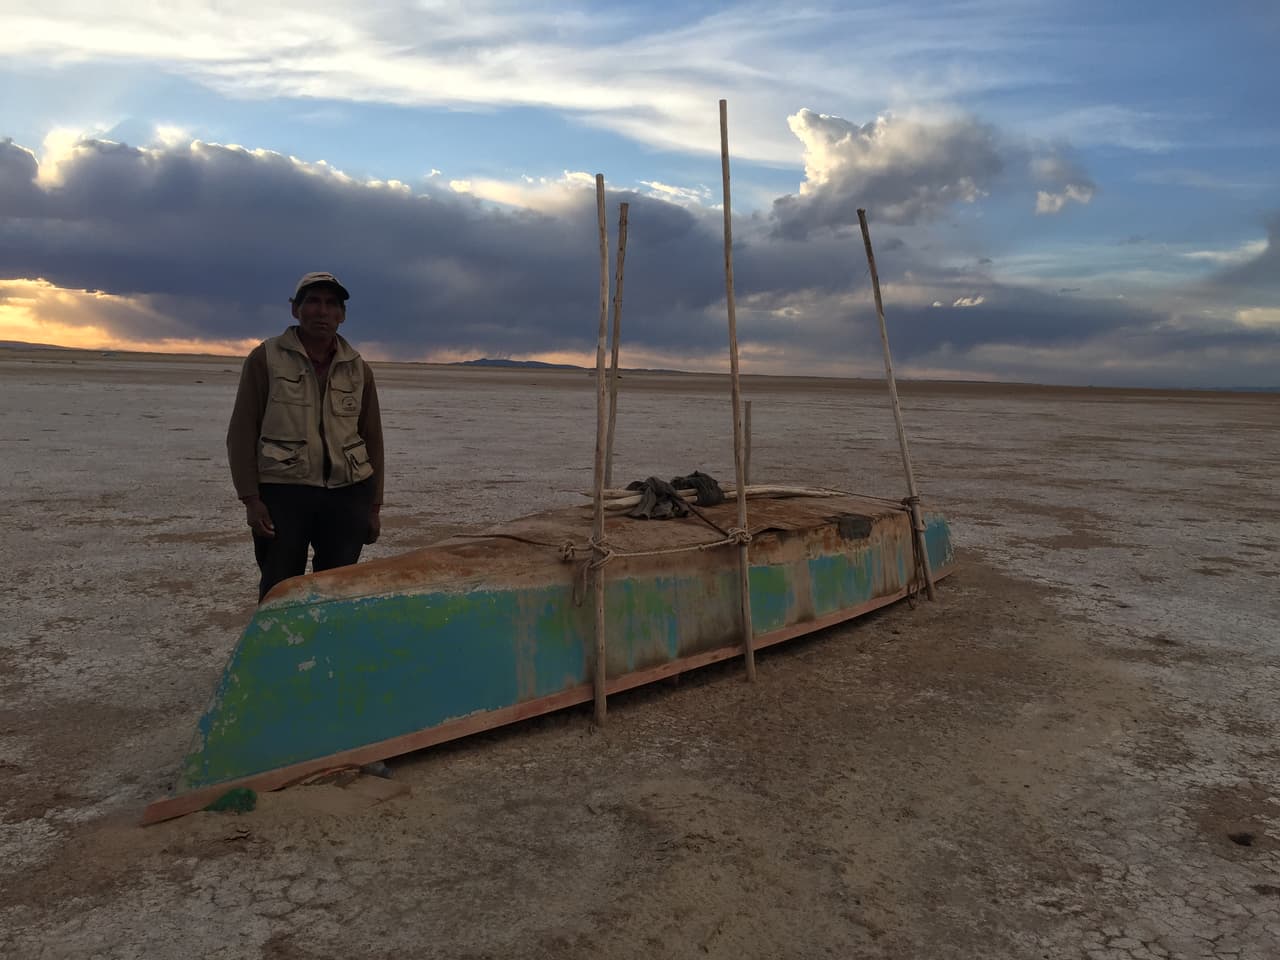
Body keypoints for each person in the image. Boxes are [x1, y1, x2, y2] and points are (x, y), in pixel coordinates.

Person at [226, 271, 384, 601]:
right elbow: (242, 432)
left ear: (342, 315)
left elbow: (372, 438)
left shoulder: (357, 367)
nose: (321, 311)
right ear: (295, 309)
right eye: (312, 301)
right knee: (280, 588)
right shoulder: (265, 358)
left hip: (347, 494)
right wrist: (251, 499)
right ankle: (278, 651)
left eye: (330, 304)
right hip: (284, 495)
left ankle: (326, 650)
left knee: (337, 589)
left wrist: (373, 506)